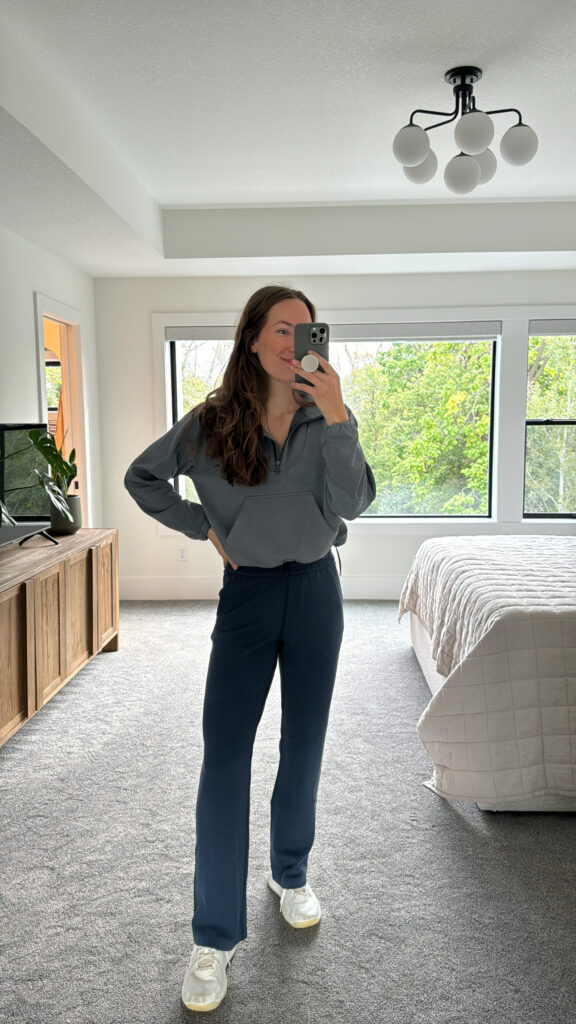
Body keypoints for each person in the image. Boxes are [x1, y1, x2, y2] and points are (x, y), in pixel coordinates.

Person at [124, 284, 376, 1012]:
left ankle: (290, 873)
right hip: (248, 596)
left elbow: (355, 502)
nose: (293, 340)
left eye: (305, 329)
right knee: (226, 755)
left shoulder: (329, 416)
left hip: (317, 591)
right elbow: (142, 477)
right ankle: (212, 936)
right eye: (280, 327)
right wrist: (202, 524)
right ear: (253, 337)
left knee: (305, 743)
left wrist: (336, 416)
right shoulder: (209, 423)